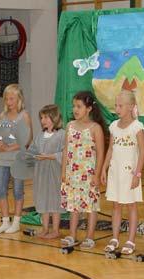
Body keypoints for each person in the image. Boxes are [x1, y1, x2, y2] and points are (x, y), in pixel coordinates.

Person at [101, 90, 144, 254]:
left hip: (130, 174)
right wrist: (104, 169)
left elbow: (142, 152)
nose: (117, 108)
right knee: (116, 205)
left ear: (131, 107)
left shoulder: (137, 127)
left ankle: (130, 240)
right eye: (116, 105)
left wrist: (137, 174)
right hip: (115, 173)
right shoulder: (113, 126)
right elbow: (110, 149)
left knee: (131, 205)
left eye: (120, 105)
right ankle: (114, 237)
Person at [60, 91, 105, 249]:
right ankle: (72, 235)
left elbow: (100, 153)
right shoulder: (70, 126)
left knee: (90, 206)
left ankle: (90, 237)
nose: (75, 109)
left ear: (89, 109)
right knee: (74, 206)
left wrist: (97, 174)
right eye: (74, 106)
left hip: (88, 174)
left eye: (79, 106)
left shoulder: (95, 128)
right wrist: (64, 172)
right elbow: (66, 150)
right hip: (73, 174)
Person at [0, 84, 32, 234]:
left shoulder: (24, 116)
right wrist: (0, 143)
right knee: (0, 189)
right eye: (6, 99)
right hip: (3, 159)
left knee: (17, 190)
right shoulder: (2, 116)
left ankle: (16, 221)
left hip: (18, 159)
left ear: (19, 99)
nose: (9, 102)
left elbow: (27, 138)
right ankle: (5, 221)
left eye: (12, 99)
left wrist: (11, 147)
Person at [30, 104, 66, 239]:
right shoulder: (40, 135)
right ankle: (45, 228)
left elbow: (65, 154)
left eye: (46, 117)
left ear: (54, 118)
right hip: (41, 174)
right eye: (41, 117)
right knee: (43, 199)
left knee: (55, 200)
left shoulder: (62, 135)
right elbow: (33, 150)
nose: (42, 120)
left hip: (55, 173)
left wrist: (49, 156)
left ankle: (55, 230)